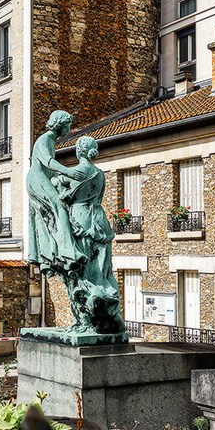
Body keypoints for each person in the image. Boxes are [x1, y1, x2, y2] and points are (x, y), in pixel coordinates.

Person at [52, 135, 124, 335]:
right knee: (102, 268)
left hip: (81, 216)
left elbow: (57, 180)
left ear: (79, 151)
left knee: (82, 268)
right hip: (99, 218)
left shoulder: (77, 171)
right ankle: (105, 308)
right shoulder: (100, 174)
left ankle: (88, 317)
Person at [27, 110, 86, 279]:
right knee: (59, 206)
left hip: (41, 177)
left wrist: (63, 178)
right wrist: (69, 172)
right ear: (60, 124)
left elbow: (51, 172)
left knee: (46, 216)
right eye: (67, 125)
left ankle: (51, 252)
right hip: (36, 179)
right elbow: (48, 162)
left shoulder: (51, 141)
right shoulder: (45, 139)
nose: (69, 128)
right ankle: (68, 250)